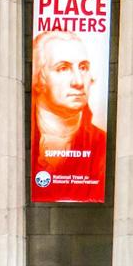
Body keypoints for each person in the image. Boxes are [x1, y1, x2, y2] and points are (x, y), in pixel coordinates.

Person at [31, 29, 108, 183]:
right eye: (63, 68)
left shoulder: (100, 142)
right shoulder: (23, 134)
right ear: (39, 77)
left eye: (83, 67)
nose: (78, 82)